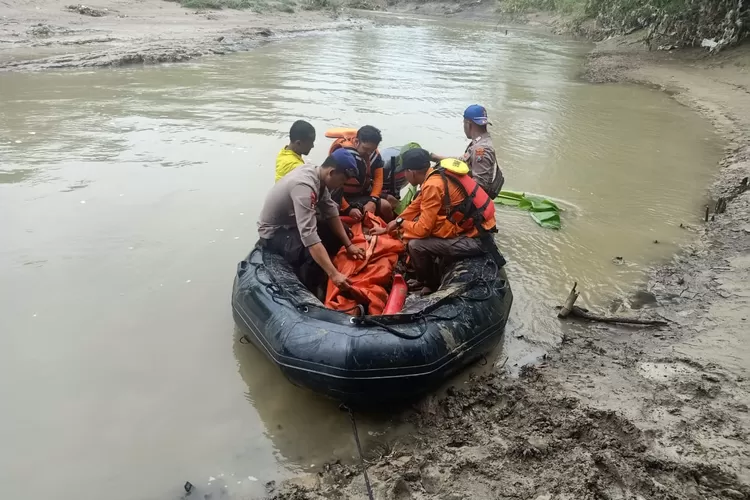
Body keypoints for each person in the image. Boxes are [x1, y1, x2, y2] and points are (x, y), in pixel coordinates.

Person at [371, 148, 500, 295]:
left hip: (477, 239)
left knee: (416, 245)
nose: (405, 176)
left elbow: (422, 230)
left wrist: (401, 224)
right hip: (478, 229)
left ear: (411, 172)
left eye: (405, 172)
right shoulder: (435, 174)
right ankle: (425, 277)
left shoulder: (433, 185)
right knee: (418, 227)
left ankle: (428, 284)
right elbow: (414, 207)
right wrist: (389, 227)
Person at [258, 148, 366, 293]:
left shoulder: (319, 177)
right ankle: (313, 289)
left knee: (344, 232)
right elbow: (309, 236)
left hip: (294, 224)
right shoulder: (304, 187)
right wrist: (333, 274)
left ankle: (327, 268)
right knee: (312, 255)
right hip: (277, 231)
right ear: (332, 172)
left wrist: (348, 245)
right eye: (342, 180)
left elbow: (331, 212)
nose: (343, 185)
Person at [431, 105, 504, 199]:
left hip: (474, 204)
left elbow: (479, 185)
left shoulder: (481, 149)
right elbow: (462, 161)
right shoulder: (480, 141)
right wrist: (435, 157)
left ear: (468, 123)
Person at [330, 125, 395, 222]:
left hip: (360, 192)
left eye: (372, 150)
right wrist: (348, 209)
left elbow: (378, 180)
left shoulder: (374, 155)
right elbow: (333, 187)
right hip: (341, 197)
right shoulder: (343, 155)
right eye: (366, 149)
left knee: (392, 200)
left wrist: (373, 201)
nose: (368, 153)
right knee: (385, 206)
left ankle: (391, 228)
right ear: (356, 141)